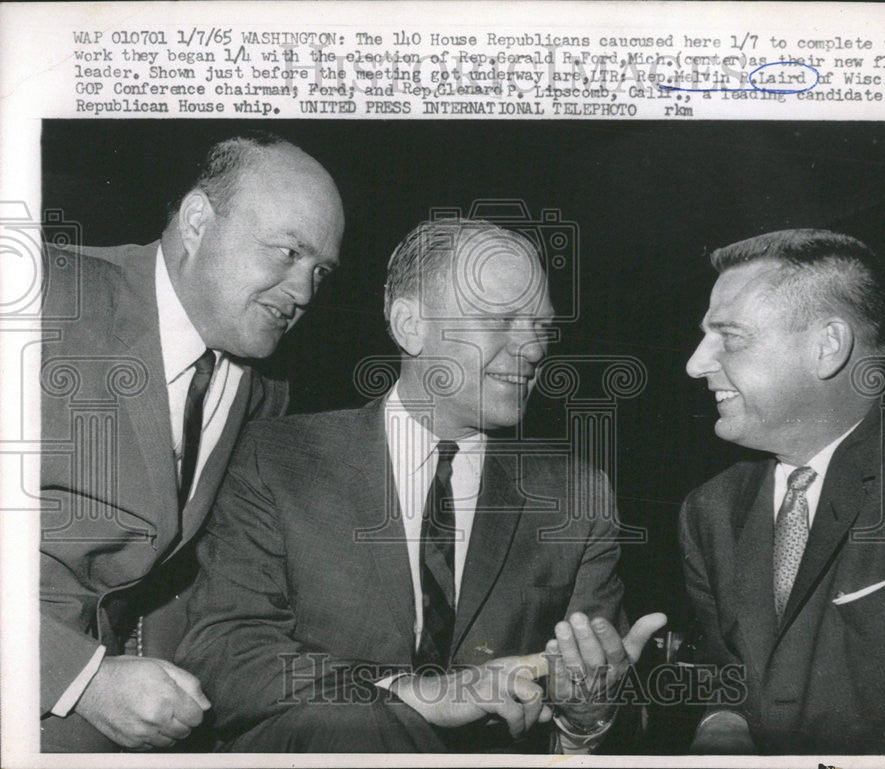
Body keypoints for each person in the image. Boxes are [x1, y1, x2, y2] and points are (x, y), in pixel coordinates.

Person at [176, 218, 665, 753]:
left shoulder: (577, 496)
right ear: (410, 325)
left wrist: (585, 717)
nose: (531, 349)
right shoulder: (277, 459)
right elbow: (228, 653)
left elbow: (615, 704)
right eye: (501, 319)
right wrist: (410, 696)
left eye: (541, 326)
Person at [39, 131, 345, 752]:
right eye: (287, 253)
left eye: (319, 270)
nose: (305, 293)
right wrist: (82, 679)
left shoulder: (264, 387)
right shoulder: (40, 293)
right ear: (198, 222)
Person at [678, 229, 885, 754]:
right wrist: (720, 723)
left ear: (827, 346)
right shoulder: (710, 510)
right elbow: (722, 664)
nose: (695, 364)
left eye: (729, 337)